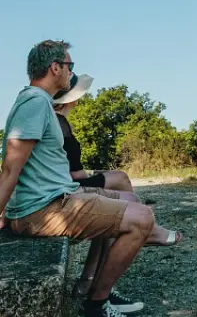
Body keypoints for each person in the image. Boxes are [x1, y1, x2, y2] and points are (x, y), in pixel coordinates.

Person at [0, 40, 154, 317]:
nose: (72, 72)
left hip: (58, 198)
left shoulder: (39, 101)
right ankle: (96, 307)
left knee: (131, 202)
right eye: (70, 66)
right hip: (44, 209)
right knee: (142, 219)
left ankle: (97, 288)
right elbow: (10, 167)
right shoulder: (34, 103)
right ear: (55, 68)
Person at [52, 73, 182, 299]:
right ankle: (137, 232)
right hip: (68, 183)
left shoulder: (59, 121)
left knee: (119, 182)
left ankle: (93, 277)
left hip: (69, 180)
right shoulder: (59, 123)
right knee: (120, 181)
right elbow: (73, 171)